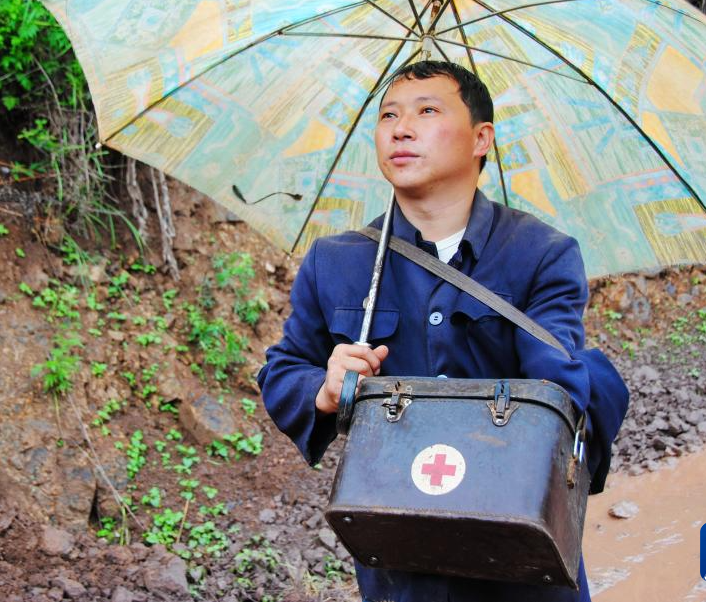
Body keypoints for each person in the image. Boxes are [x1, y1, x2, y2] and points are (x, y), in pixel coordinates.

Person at [256, 60, 628, 602]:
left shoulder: (540, 254)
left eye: (427, 110)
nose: (401, 129)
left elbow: (559, 397)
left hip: (519, 554)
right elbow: (283, 370)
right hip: (400, 562)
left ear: (481, 138)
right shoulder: (337, 261)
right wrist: (326, 389)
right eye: (388, 116)